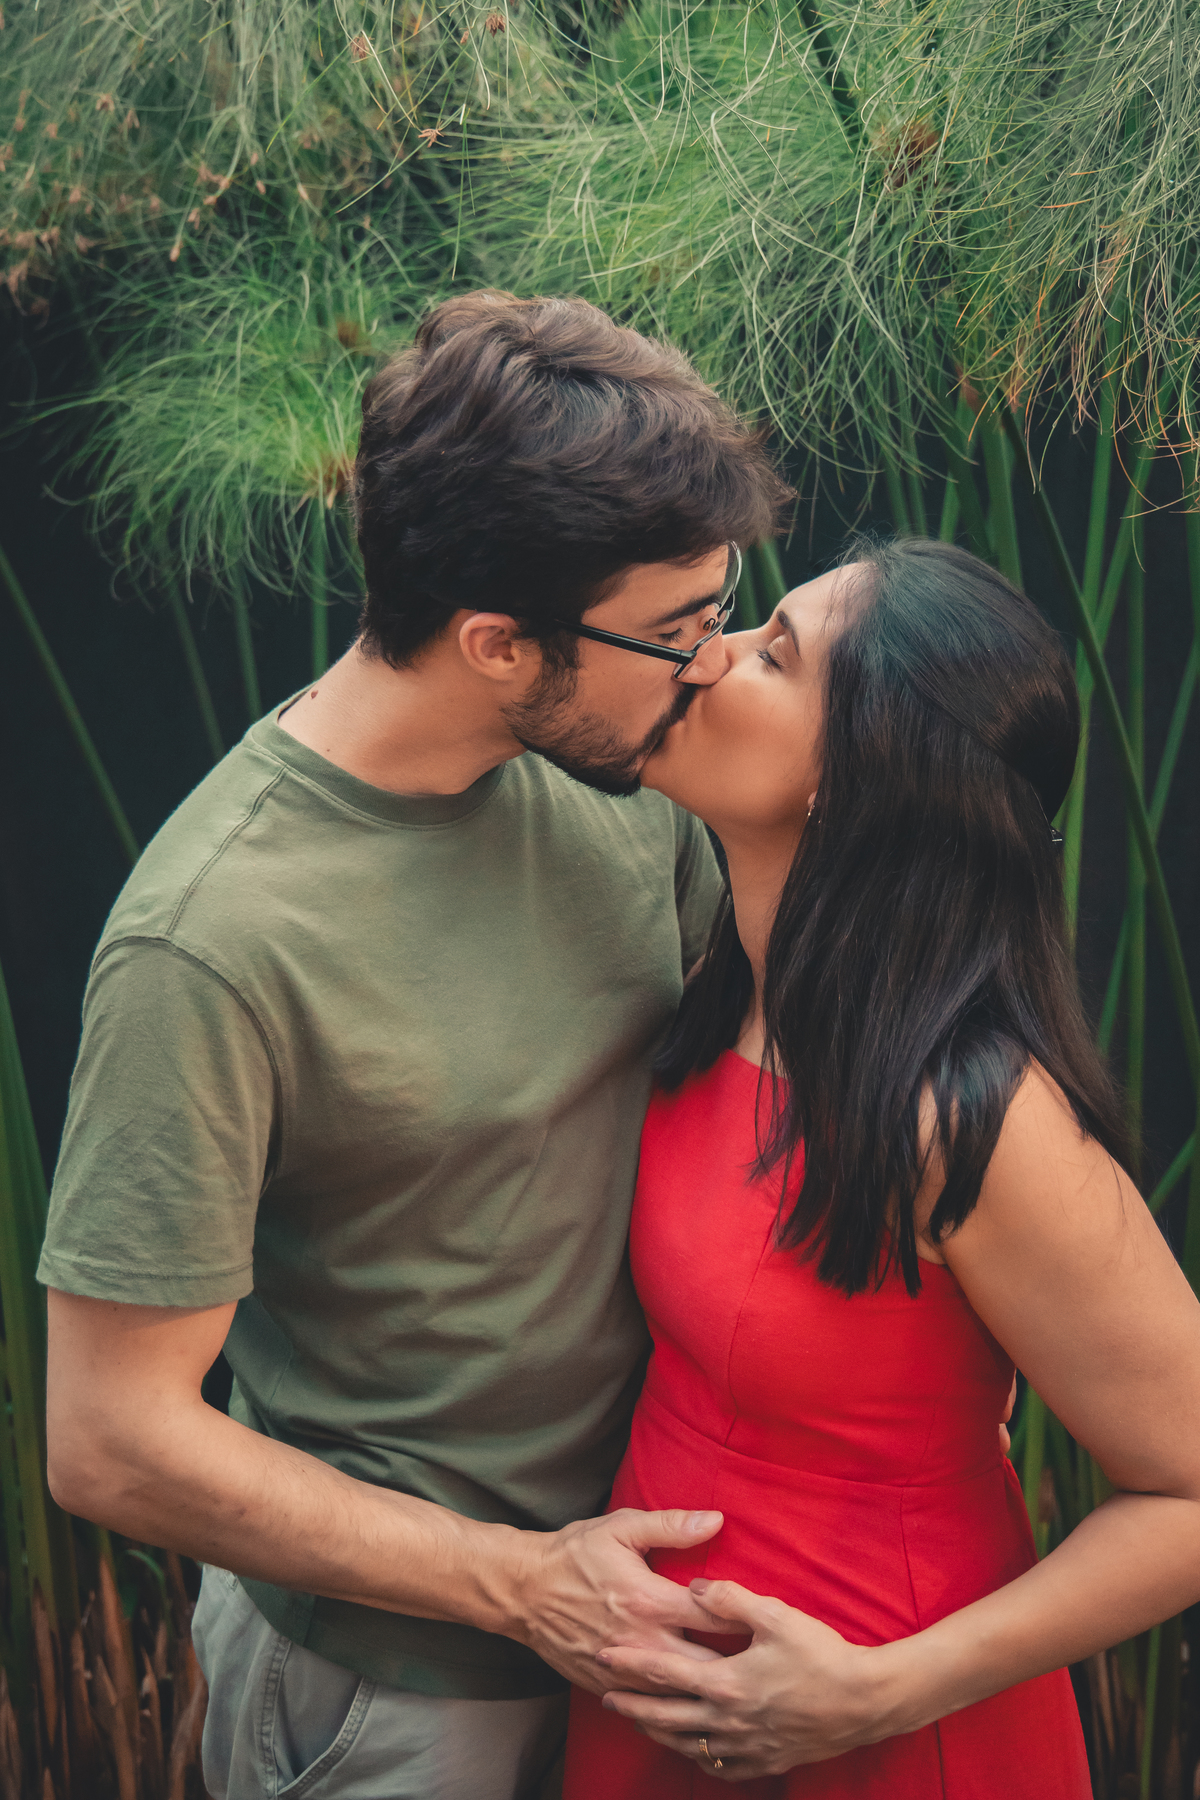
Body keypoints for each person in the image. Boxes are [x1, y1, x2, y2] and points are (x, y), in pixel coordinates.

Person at [38, 290, 793, 1800]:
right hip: (390, 1692)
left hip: (673, 1639)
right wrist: (521, 1585)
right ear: (499, 643)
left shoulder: (625, 776)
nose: (711, 664)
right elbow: (109, 1438)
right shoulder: (210, 940)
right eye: (675, 632)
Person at [563, 538, 1200, 1797]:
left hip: (884, 1731)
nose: (709, 656)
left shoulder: (971, 1116)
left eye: (772, 654)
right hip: (666, 1710)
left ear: (857, 777)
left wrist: (883, 1690)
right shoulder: (721, 990)